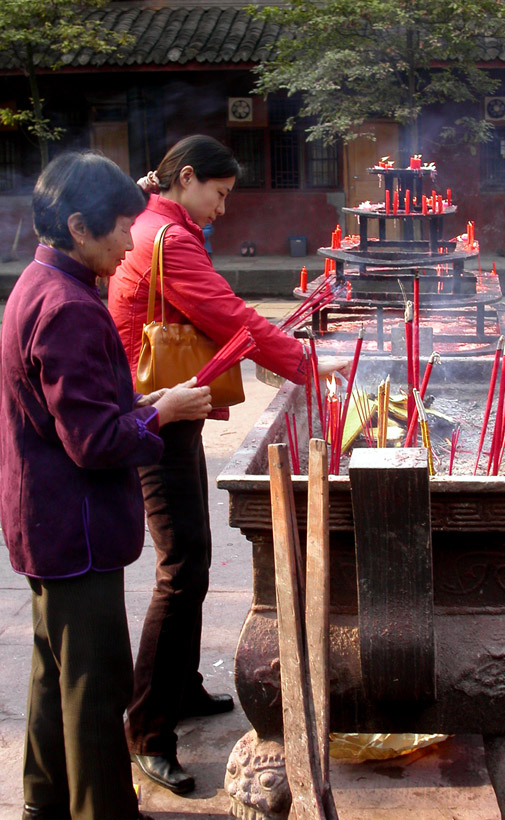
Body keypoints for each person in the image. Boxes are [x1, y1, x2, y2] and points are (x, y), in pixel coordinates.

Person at [108, 134, 349, 795]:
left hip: (168, 405)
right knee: (181, 566)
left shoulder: (160, 222)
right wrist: (302, 364)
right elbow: (230, 317)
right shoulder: (169, 237)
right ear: (186, 178)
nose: (222, 209)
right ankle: (146, 727)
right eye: (219, 194)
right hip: (154, 408)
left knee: (192, 557)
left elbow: (228, 317)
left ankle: (179, 689)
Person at [0, 151, 213, 820]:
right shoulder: (67, 308)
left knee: (53, 672)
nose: (131, 243)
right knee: (95, 685)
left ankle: (44, 801)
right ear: (78, 227)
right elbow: (95, 442)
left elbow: (82, 409)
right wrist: (162, 410)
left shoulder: (38, 283)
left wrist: (143, 397)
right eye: (122, 227)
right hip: (76, 525)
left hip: (43, 520)